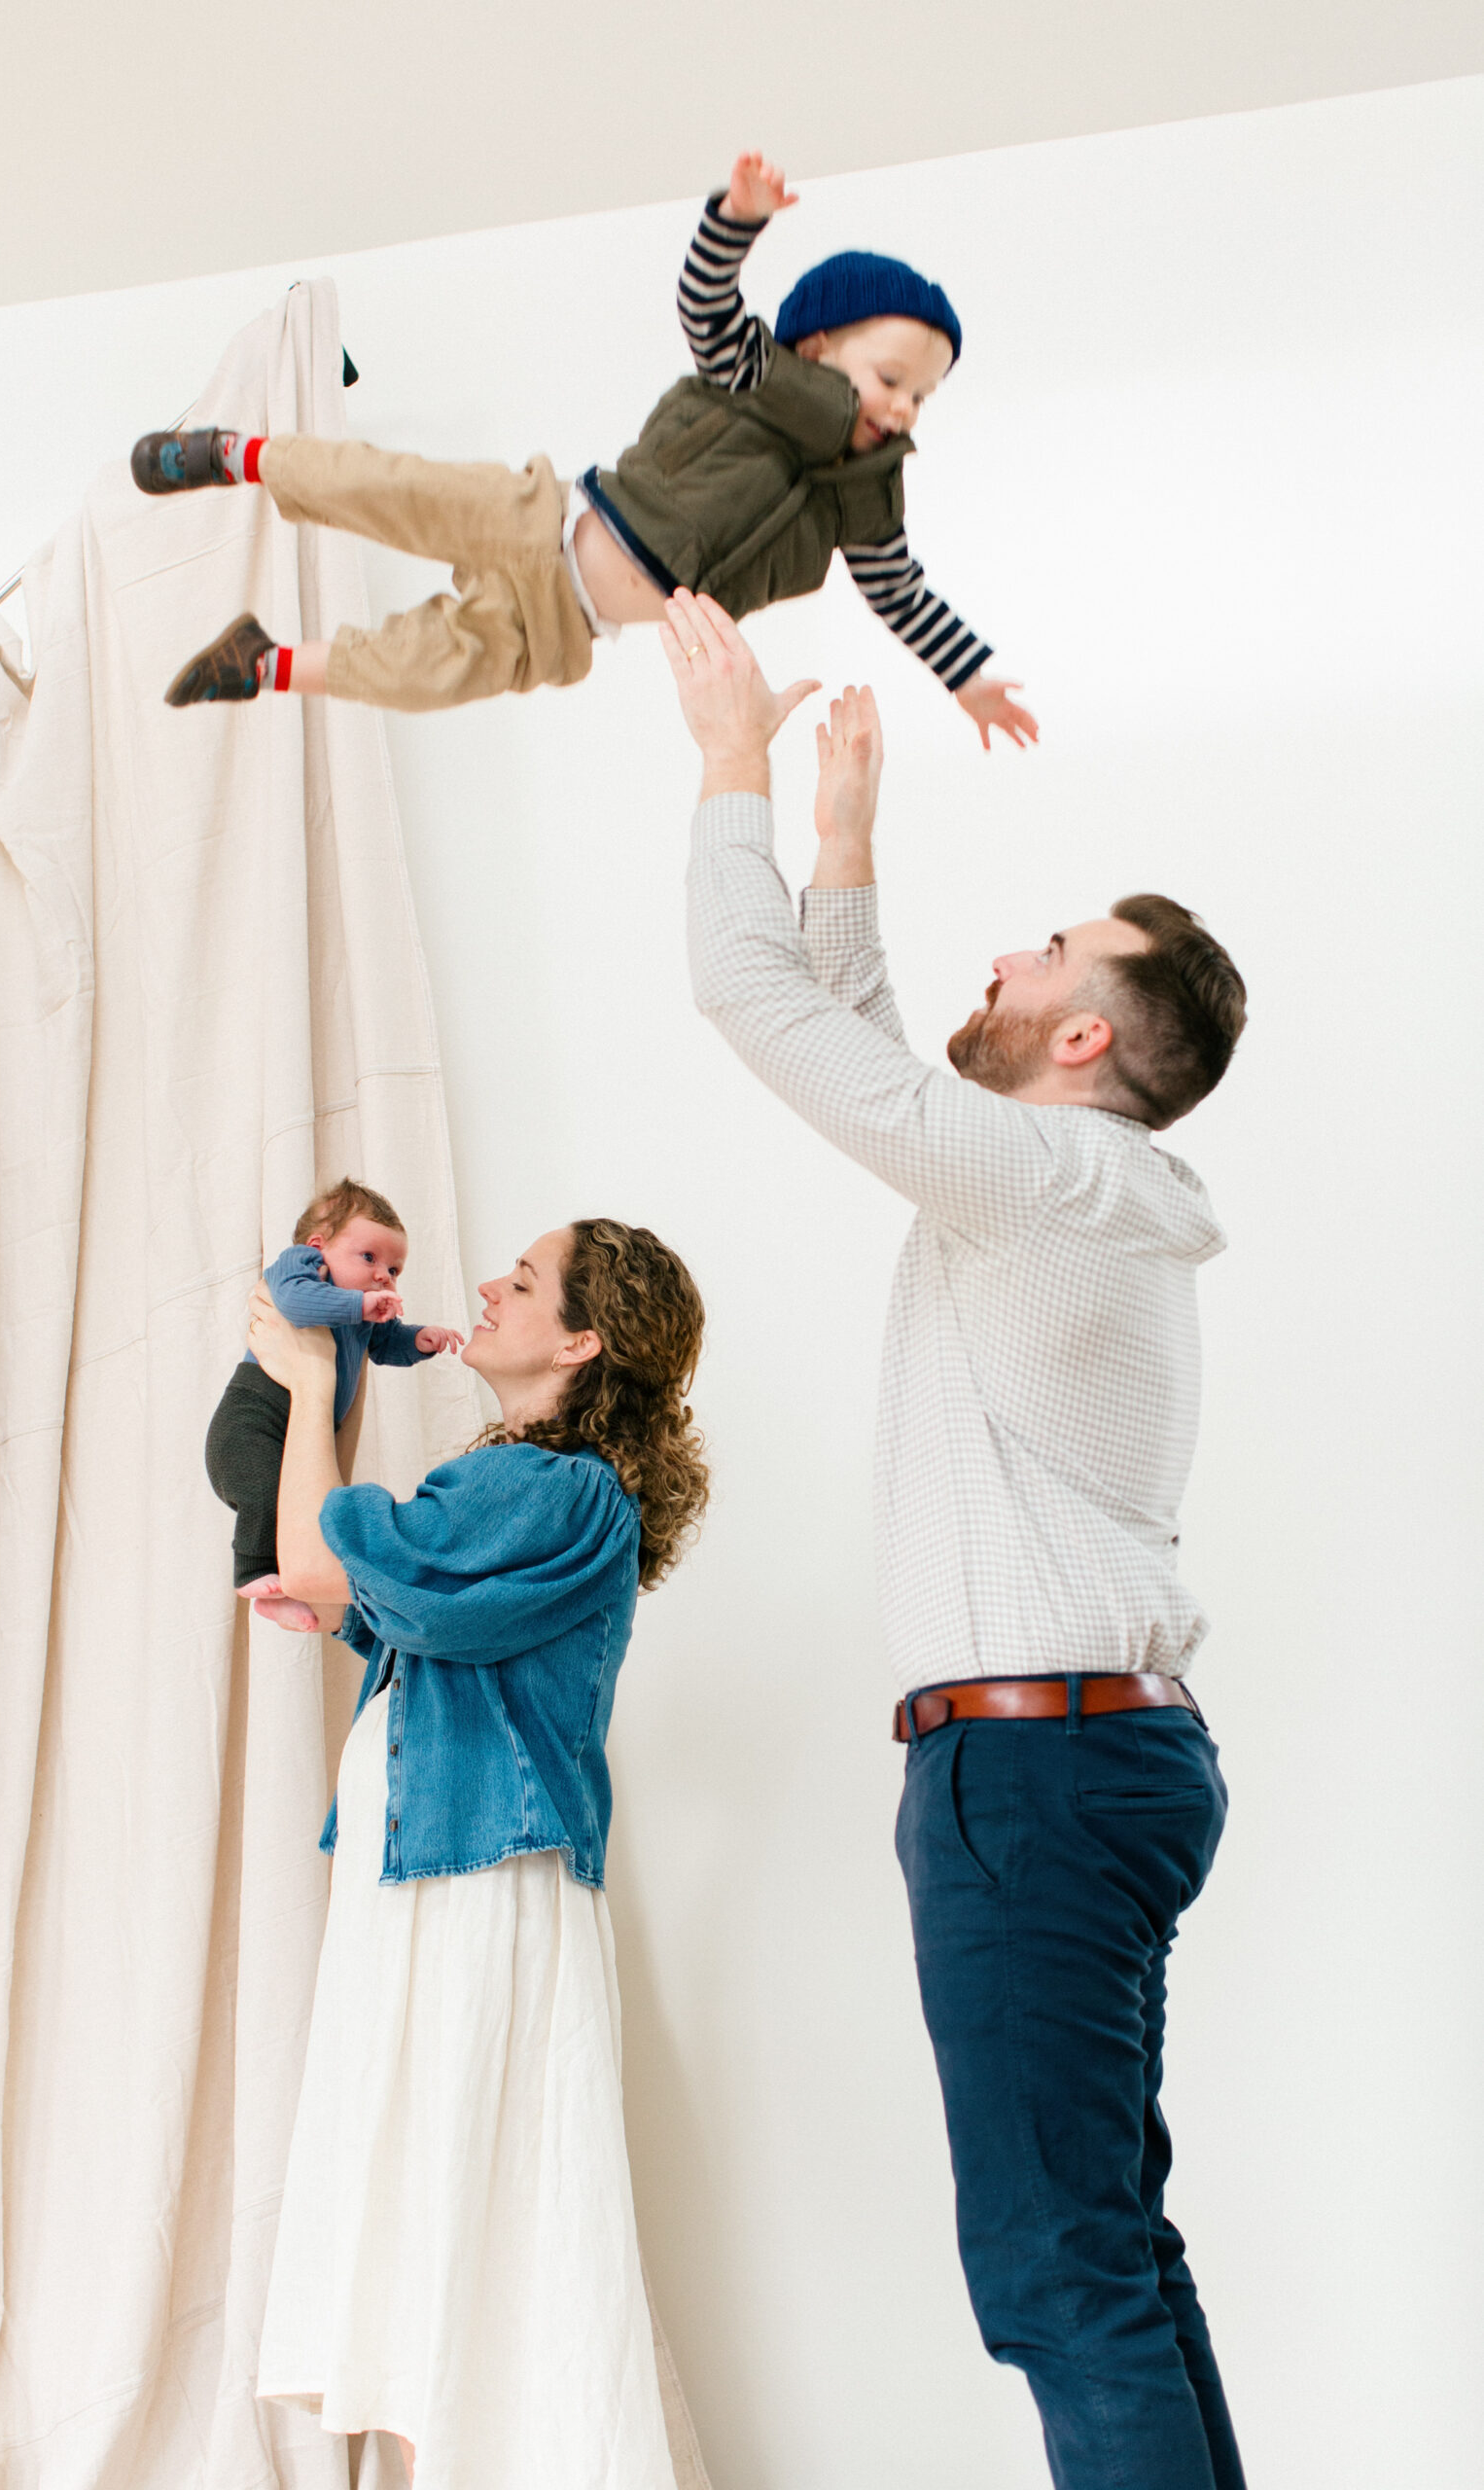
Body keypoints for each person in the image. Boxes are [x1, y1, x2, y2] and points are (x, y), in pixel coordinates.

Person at [662, 586, 1248, 2490]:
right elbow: (883, 1077)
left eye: (1047, 946)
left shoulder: (1048, 1178)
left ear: (1082, 1029)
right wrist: (846, 845)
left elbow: (767, 1017)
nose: (1006, 954)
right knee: (1111, 2251)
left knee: (1057, 2270)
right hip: (1094, 1755)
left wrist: (731, 767)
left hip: (1038, 1766)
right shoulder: (1084, 1184)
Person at [245, 1217, 710, 2490]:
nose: (489, 1289)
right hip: (431, 1874)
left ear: (582, 1338)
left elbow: (314, 1551)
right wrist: (345, 1589)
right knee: (433, 2197)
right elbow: (366, 1592)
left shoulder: (556, 1489)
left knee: (459, 2193)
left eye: (524, 1279)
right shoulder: (515, 1485)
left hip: (471, 1881)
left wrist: (300, 1385)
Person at [130, 151, 1036, 753]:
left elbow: (900, 592)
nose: (903, 406)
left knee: (424, 676)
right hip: (543, 520)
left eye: (922, 395)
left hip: (564, 622)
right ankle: (237, 456)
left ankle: (260, 663)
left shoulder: (865, 504)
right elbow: (704, 303)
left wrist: (967, 679)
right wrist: (737, 217)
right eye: (890, 376)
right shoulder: (756, 376)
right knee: (385, 488)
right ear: (816, 348)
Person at [204, 1179, 462, 1630]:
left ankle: (290, 1585)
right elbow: (295, 1304)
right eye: (369, 1258)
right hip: (252, 1418)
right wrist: (361, 1304)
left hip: (301, 1428)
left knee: (308, 1515)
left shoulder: (361, 1312)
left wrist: (418, 1340)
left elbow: (384, 1346)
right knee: (264, 1495)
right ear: (318, 1246)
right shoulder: (300, 1269)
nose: (384, 1275)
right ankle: (254, 1575)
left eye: (395, 1269)